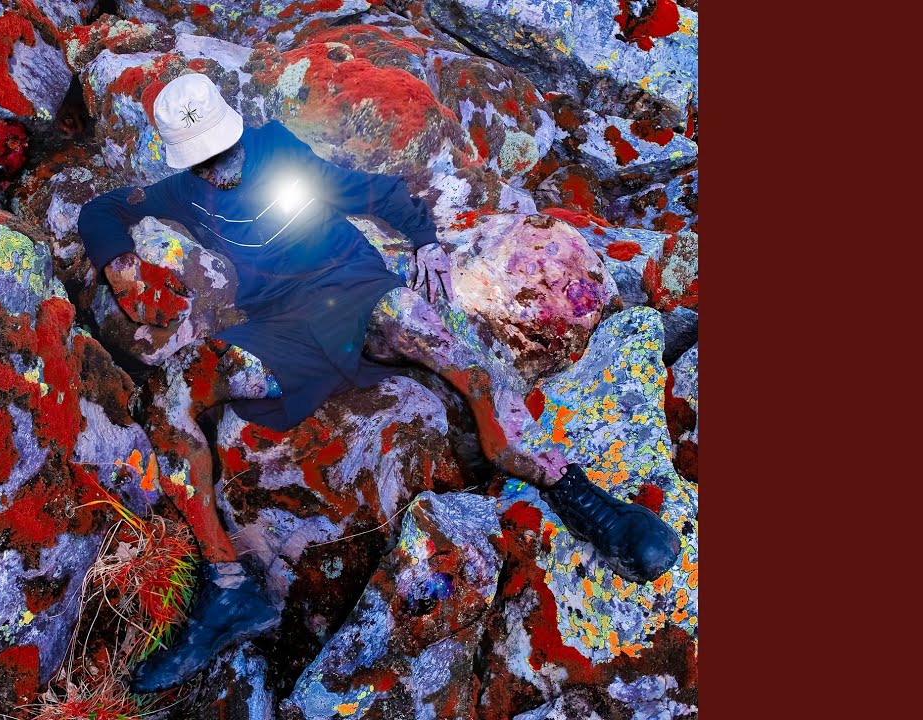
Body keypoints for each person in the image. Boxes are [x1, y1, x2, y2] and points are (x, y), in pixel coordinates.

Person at [77, 73, 680, 692]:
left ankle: (567, 487)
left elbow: (365, 189)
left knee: (430, 330)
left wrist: (424, 240)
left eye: (223, 148)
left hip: (358, 291)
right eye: (204, 158)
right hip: (280, 328)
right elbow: (100, 210)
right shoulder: (179, 193)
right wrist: (123, 269)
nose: (219, 165)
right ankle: (228, 586)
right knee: (175, 393)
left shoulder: (277, 146)